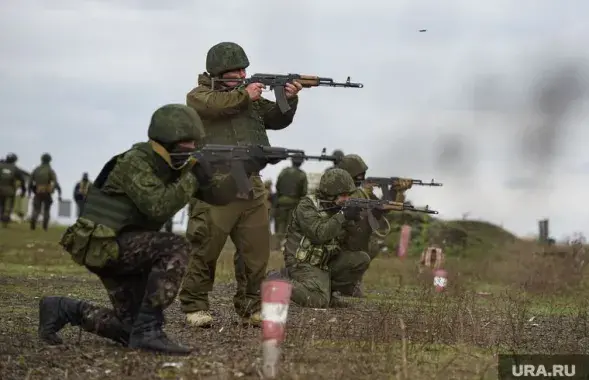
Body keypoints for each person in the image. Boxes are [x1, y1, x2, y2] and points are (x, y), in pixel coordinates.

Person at [37, 104, 243, 355]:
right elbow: (158, 206)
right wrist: (194, 175)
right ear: (168, 140)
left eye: (194, 143)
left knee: (128, 331)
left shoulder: (176, 166)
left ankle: (62, 309)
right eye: (187, 143)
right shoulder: (136, 161)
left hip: (123, 247)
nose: (192, 149)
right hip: (104, 246)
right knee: (175, 247)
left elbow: (219, 197)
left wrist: (242, 171)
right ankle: (149, 331)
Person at [179, 41, 303, 328]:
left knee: (256, 250)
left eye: (245, 69)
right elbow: (217, 106)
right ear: (220, 71)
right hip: (214, 184)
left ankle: (251, 306)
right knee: (205, 248)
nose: (244, 73)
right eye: (237, 69)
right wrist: (245, 95)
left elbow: (276, 119)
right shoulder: (199, 96)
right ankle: (195, 305)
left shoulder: (249, 98)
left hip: (250, 182)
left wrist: (288, 98)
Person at [269, 168, 371, 308]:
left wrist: (359, 222)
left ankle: (329, 294)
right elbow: (319, 235)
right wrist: (343, 216)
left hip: (324, 261)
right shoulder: (307, 205)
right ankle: (277, 281)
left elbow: (352, 245)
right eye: (343, 195)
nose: (347, 199)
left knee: (361, 259)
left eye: (349, 195)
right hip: (303, 262)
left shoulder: (337, 210)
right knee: (318, 301)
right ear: (330, 194)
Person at [335, 154, 394, 297]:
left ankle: (350, 282)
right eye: (359, 175)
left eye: (363, 174)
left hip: (355, 249)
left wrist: (394, 191)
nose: (362, 178)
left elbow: (381, 208)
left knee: (371, 245)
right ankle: (340, 283)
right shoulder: (337, 191)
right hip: (340, 249)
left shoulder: (362, 193)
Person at [274, 154, 308, 247]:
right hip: (294, 203)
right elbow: (304, 192)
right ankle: (288, 245)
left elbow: (277, 186)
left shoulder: (284, 172)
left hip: (281, 202)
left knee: (280, 223)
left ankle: (277, 244)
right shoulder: (302, 174)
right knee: (291, 224)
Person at [28, 153, 62, 231]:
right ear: (49, 160)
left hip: (38, 192)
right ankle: (45, 226)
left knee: (36, 209)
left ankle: (33, 220)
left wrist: (29, 192)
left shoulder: (36, 169)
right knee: (46, 210)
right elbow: (55, 182)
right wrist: (59, 193)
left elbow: (30, 182)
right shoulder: (50, 170)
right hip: (47, 192)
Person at [0, 153, 26, 227]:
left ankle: (2, 217)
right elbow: (22, 180)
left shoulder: (0, 166)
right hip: (10, 190)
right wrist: (23, 190)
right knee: (8, 206)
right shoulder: (15, 168)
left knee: (1, 204)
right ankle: (5, 218)